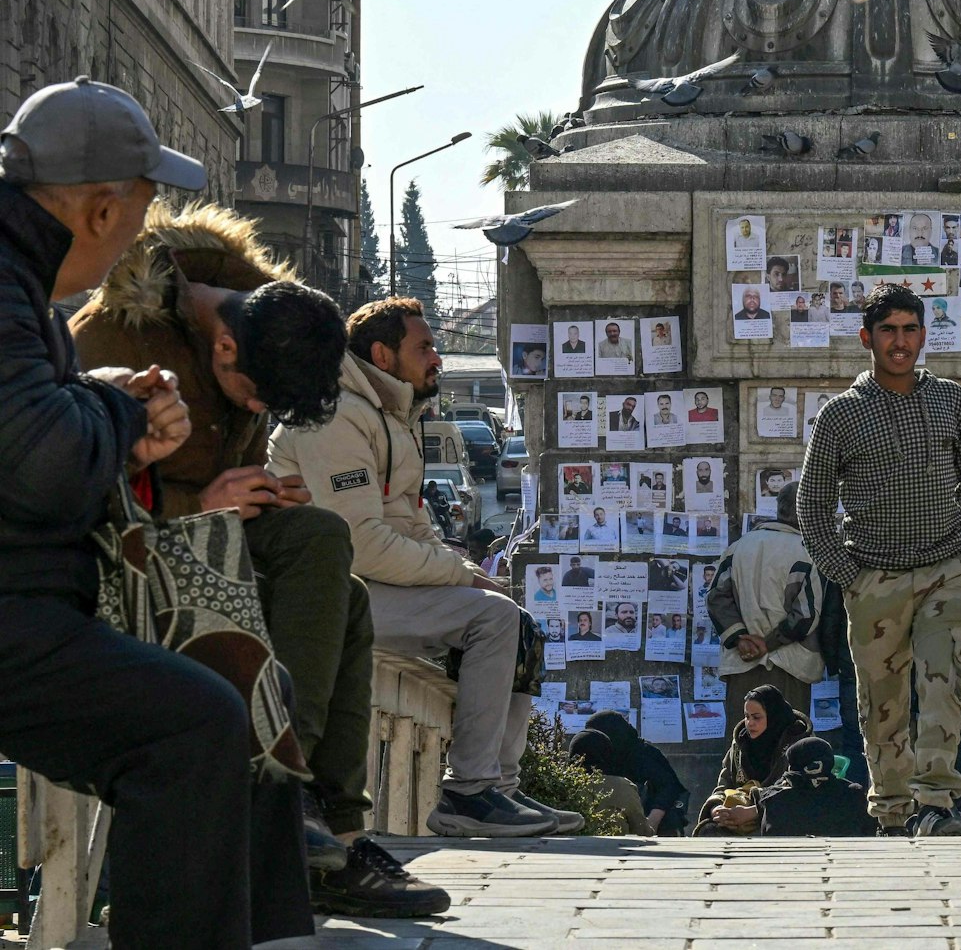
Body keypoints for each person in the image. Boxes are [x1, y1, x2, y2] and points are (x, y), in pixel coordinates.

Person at [66, 203, 446, 915]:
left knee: (328, 553)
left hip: (211, 538)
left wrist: (264, 493)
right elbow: (71, 489)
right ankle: (280, 793)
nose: (255, 412)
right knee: (314, 553)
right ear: (224, 351)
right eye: (254, 401)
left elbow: (238, 476)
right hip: (124, 553)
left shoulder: (274, 321)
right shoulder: (116, 335)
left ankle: (328, 824)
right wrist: (200, 501)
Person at [0, 77, 305, 948]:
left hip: (35, 598)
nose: (139, 233)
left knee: (235, 694)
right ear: (100, 210)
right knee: (191, 725)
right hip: (18, 610)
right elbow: (42, 459)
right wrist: (120, 412)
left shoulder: (23, 283)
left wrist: (97, 404)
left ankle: (281, 926)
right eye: (137, 212)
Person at [270, 298, 582, 839]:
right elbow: (360, 544)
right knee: (494, 620)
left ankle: (498, 789)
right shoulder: (334, 414)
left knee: (517, 622)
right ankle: (468, 792)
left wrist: (460, 567)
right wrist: (460, 576)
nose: (437, 358)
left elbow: (410, 526)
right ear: (382, 354)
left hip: (370, 586)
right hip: (327, 594)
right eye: (426, 348)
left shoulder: (391, 415)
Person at [798, 284, 961, 837]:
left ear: (924, 335)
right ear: (867, 338)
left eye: (909, 330)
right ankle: (890, 811)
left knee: (943, 687)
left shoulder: (950, 399)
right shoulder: (840, 415)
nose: (900, 342)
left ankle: (935, 805)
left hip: (946, 570)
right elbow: (811, 502)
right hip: (874, 576)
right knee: (881, 703)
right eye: (888, 331)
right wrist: (848, 575)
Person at [711, 482, 824, 718]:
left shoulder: (738, 548)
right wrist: (768, 644)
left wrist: (740, 638)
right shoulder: (807, 552)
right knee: (787, 741)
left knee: (742, 738)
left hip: (742, 662)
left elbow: (716, 598)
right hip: (790, 666)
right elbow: (806, 614)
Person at [696, 684, 814, 835]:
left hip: (781, 818)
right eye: (746, 716)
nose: (750, 723)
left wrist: (754, 811)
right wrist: (717, 808)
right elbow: (724, 784)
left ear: (773, 717)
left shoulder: (800, 745)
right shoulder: (741, 745)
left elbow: (802, 794)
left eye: (756, 717)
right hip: (739, 816)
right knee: (709, 831)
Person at [571, 710, 690, 835]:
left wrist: (652, 821)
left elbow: (668, 787)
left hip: (657, 823)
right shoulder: (603, 755)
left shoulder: (644, 754)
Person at [757, 736, 875, 837]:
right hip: (847, 860)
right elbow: (868, 831)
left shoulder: (776, 798)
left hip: (788, 861)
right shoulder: (853, 795)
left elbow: (766, 834)